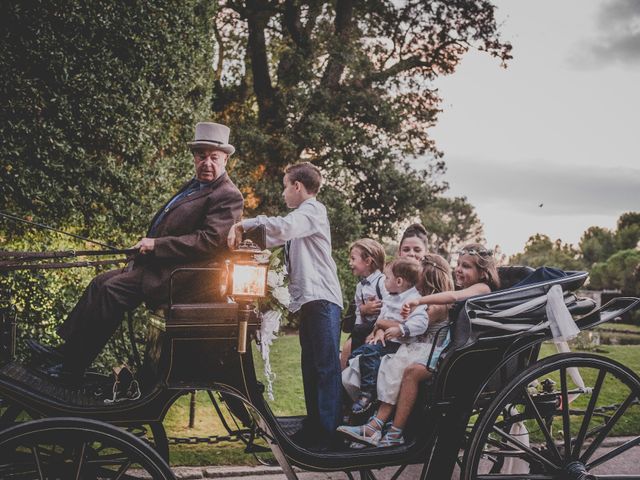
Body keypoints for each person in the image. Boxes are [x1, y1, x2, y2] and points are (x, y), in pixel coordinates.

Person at [31, 122, 244, 381]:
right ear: (194, 157)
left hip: (181, 279)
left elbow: (210, 241)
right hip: (159, 266)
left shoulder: (228, 195)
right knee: (100, 283)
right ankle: (65, 353)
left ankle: (71, 370)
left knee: (111, 291)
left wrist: (156, 246)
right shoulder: (195, 185)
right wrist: (145, 247)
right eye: (201, 156)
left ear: (225, 160)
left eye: (214, 157)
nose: (207, 163)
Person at [227, 162, 343, 449]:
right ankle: (315, 426)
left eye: (284, 186)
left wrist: (246, 224)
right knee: (310, 366)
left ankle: (328, 434)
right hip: (310, 301)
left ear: (297, 186)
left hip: (323, 299)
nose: (283, 193)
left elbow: (284, 226)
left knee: (325, 368)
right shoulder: (304, 216)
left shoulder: (312, 211)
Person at [336, 254, 453, 447]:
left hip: (425, 350)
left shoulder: (435, 305)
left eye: (419, 274)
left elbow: (409, 327)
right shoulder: (420, 300)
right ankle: (369, 421)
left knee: (393, 367)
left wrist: (381, 323)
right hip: (413, 347)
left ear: (428, 277)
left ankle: (381, 426)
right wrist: (380, 328)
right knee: (373, 360)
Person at [342, 257, 426, 416]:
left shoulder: (413, 300)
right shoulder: (390, 297)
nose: (384, 282)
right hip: (385, 340)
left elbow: (421, 323)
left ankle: (368, 393)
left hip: (400, 344)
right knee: (356, 354)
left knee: (370, 352)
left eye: (387, 278)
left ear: (399, 281)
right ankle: (351, 398)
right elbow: (382, 318)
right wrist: (377, 330)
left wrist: (401, 329)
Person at [357, 223, 429, 328]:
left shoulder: (430, 281)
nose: (411, 253)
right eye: (406, 249)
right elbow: (384, 309)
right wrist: (363, 309)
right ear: (399, 252)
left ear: (426, 253)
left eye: (417, 250)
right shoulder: (389, 280)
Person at [339, 239, 386, 370]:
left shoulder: (382, 281)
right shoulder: (360, 286)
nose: (350, 263)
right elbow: (358, 311)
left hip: (380, 325)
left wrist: (376, 329)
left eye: (353, 259)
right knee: (356, 333)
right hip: (365, 327)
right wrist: (357, 330)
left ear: (368, 261)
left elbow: (388, 305)